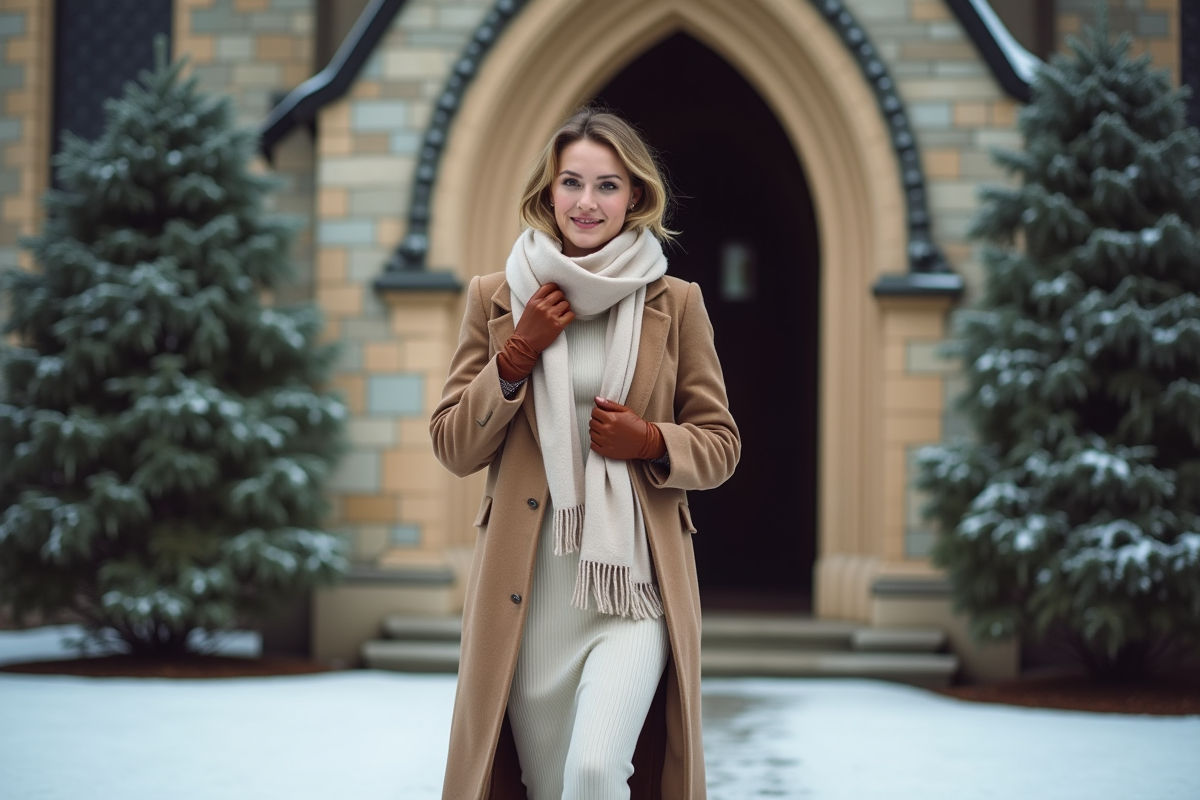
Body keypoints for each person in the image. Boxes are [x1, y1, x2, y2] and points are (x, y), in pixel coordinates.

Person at [430, 107, 739, 800]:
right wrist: (515, 356)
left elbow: (721, 445)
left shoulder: (676, 302)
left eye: (607, 185)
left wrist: (651, 440)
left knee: (596, 772)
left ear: (635, 196)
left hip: (633, 586)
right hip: (528, 593)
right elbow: (453, 445)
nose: (586, 202)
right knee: (548, 786)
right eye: (572, 182)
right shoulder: (496, 297)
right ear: (549, 191)